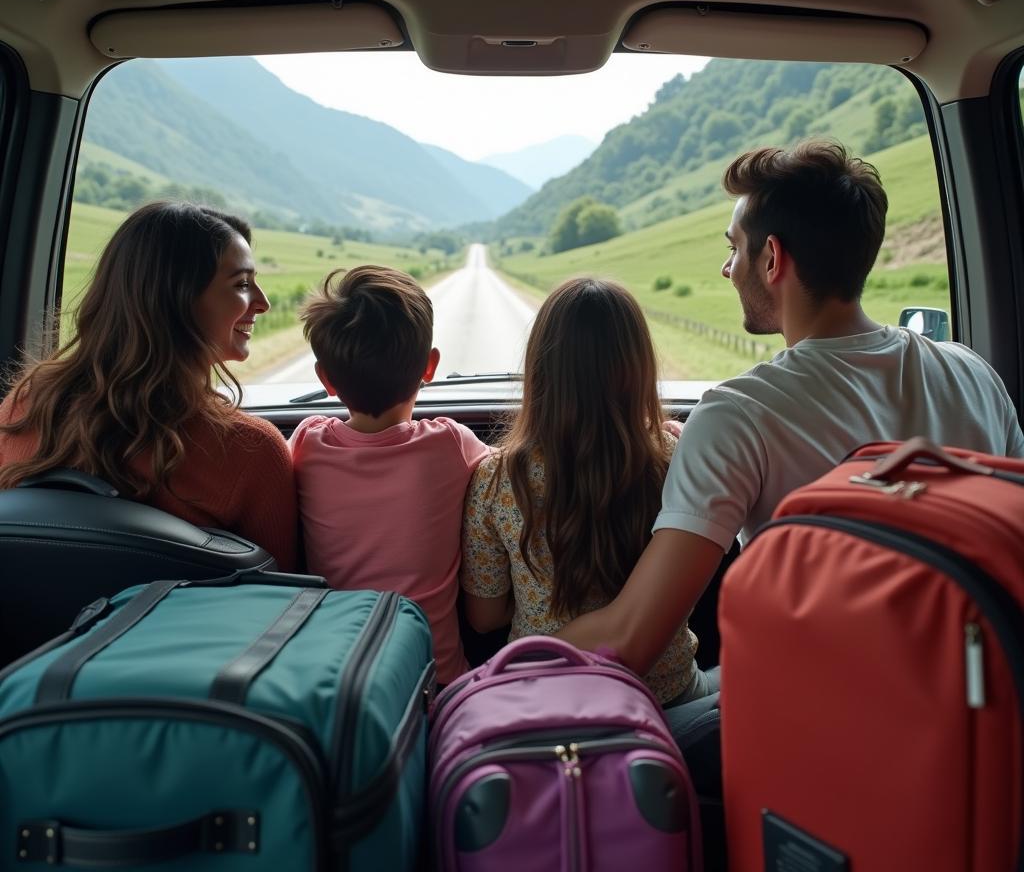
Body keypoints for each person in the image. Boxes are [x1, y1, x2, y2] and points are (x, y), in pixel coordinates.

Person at [557, 140, 1024, 690]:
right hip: (981, 697)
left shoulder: (738, 415)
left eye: (735, 248)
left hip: (822, 719)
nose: (727, 268)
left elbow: (630, 639)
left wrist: (488, 675)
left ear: (773, 259)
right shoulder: (972, 373)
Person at [0, 200, 298, 569]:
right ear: (175, 299)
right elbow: (285, 599)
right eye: (242, 284)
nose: (264, 303)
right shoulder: (249, 451)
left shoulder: (24, 408)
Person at [461, 277, 699, 705]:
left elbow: (483, 618)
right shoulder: (673, 458)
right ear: (639, 367)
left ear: (540, 369)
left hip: (552, 697)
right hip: (667, 694)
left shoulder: (497, 480)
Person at [289, 265, 490, 685]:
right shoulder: (451, 444)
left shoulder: (307, 443)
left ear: (325, 378)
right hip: (436, 684)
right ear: (430, 366)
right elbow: (512, 468)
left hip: (338, 683)